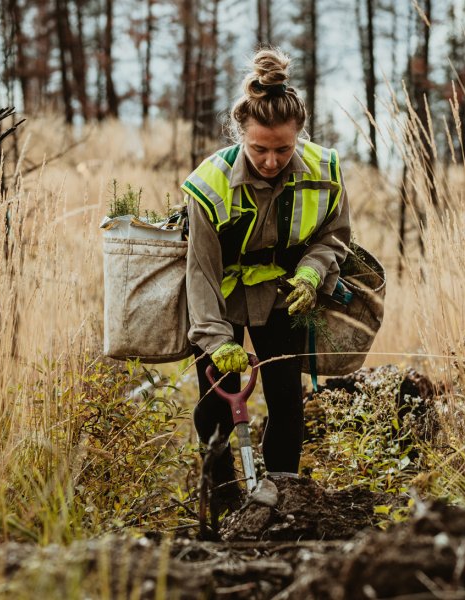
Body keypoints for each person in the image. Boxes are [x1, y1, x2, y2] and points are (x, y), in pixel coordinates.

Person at [181, 48, 351, 510]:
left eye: (283, 148)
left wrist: (312, 274)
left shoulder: (325, 172)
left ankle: (284, 499)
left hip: (283, 294)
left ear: (299, 135)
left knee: (286, 400)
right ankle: (221, 505)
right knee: (214, 406)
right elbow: (201, 273)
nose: (272, 160)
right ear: (240, 136)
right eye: (259, 149)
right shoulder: (209, 185)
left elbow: (335, 237)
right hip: (221, 298)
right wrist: (216, 342)